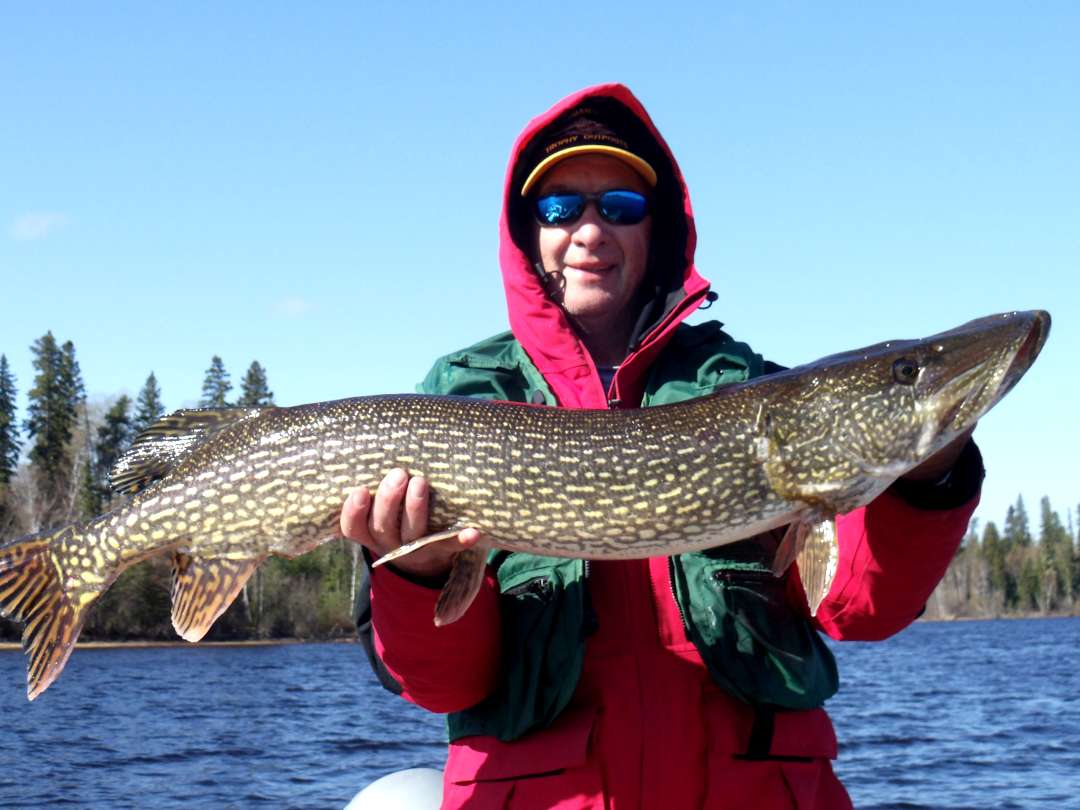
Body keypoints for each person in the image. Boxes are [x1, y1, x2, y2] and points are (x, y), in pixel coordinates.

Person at [340, 84, 983, 810]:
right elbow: (441, 686)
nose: (590, 231)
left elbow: (860, 609)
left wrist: (932, 474)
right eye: (561, 208)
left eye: (620, 206)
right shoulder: (462, 395)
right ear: (529, 232)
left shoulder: (744, 392)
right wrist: (420, 574)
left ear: (657, 230)